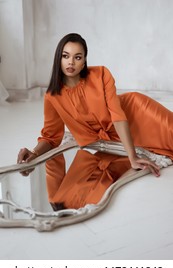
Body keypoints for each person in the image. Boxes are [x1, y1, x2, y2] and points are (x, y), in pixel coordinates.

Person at [17, 33, 173, 177]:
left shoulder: (101, 74)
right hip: (117, 138)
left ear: (84, 60)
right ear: (59, 58)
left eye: (77, 57)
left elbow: (117, 116)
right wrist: (34, 154)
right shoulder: (52, 96)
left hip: (138, 113)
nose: (71, 62)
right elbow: (51, 137)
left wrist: (132, 156)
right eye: (66, 56)